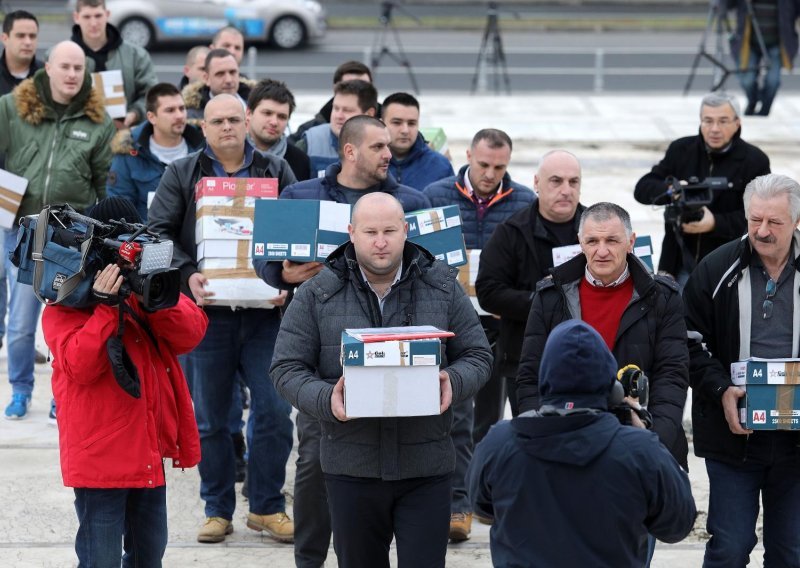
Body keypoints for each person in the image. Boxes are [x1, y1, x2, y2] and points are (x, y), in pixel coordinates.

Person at [270, 191, 493, 568]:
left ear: (406, 231)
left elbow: (479, 355)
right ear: (351, 232)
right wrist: (327, 399)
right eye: (370, 231)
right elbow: (285, 369)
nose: (380, 241)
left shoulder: (442, 286)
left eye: (390, 230)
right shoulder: (315, 294)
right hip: (350, 466)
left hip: (427, 465)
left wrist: (451, 382)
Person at [254, 116, 430, 568]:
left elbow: (435, 273)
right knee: (313, 464)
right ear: (349, 151)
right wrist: (282, 274)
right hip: (326, 358)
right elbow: (268, 258)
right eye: (378, 146)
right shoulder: (301, 195)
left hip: (401, 354)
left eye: (389, 145)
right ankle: (309, 558)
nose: (388, 154)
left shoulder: (410, 203)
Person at [148, 94, 297, 544]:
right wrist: (186, 276)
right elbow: (155, 236)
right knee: (212, 418)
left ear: (248, 121)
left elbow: (296, 233)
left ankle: (268, 507)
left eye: (235, 119)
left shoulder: (275, 171)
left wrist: (287, 283)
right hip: (204, 317)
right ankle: (217, 508)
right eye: (218, 121)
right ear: (204, 126)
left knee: (274, 411)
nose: (228, 127)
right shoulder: (183, 172)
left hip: (266, 319)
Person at [42, 196, 207, 567]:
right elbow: (80, 366)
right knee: (100, 560)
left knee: (149, 557)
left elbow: (192, 333)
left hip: (146, 455)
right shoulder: (63, 302)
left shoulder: (146, 291)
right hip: (99, 461)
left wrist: (154, 298)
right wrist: (104, 308)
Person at [467, 319, 696, 567]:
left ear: (545, 379)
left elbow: (481, 505)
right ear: (613, 390)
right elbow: (677, 523)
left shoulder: (500, 443)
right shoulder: (639, 451)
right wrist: (644, 434)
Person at [517, 202, 690, 470]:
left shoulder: (663, 297)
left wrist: (651, 437)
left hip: (642, 443)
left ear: (630, 242)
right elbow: (530, 376)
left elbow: (672, 375)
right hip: (565, 443)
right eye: (593, 241)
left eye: (612, 240)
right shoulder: (550, 297)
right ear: (580, 243)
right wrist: (542, 436)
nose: (602, 251)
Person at [684, 173, 800, 566]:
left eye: (774, 222)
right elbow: (687, 342)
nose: (762, 231)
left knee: (791, 552)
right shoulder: (716, 269)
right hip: (734, 436)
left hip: (796, 443)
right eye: (755, 220)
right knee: (729, 548)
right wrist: (720, 390)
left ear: (797, 221)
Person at [423, 127, 533, 540]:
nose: (489, 174)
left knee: (491, 415)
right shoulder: (435, 195)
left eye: (499, 167)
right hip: (449, 321)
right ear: (468, 155)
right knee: (457, 414)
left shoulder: (523, 201)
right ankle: (457, 502)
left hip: (500, 321)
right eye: (483, 164)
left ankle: (482, 494)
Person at [0, 40, 115, 420]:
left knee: (68, 320)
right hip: (25, 233)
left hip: (71, 241)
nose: (71, 74)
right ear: (47, 67)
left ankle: (59, 395)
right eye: (64, 66)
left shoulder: (99, 122)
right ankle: (19, 388)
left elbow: (103, 186)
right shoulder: (11, 110)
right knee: (20, 324)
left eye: (78, 69)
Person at [475, 149, 584, 418]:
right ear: (537, 183)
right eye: (556, 181)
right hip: (526, 360)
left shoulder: (598, 229)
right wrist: (542, 301)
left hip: (588, 356)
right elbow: (488, 291)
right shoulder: (511, 232)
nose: (566, 190)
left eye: (573, 182)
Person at [634, 92, 770, 286]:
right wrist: (674, 190)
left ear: (737, 122)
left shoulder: (755, 161)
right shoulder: (681, 150)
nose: (714, 129)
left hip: (729, 266)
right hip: (678, 260)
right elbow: (642, 189)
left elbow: (761, 218)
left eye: (723, 121)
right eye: (707, 121)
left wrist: (715, 223)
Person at [0, 10, 44, 353]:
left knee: (20, 283)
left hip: (31, 198)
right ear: (5, 37)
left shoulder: (46, 80)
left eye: (33, 36)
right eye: (21, 36)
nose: (28, 42)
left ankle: (19, 349)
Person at [108, 83, 204, 221]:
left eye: (182, 109)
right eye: (170, 110)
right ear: (151, 117)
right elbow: (120, 211)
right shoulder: (129, 153)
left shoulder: (203, 149)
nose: (179, 115)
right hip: (147, 239)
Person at [71, 0, 157, 127]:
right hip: (77, 133)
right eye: (87, 17)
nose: (93, 23)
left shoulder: (136, 55)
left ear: (107, 14)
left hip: (125, 133)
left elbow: (152, 94)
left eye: (98, 16)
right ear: (76, 17)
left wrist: (135, 113)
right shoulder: (60, 57)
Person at [727, 0, 800, 116]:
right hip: (749, 43)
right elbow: (727, 5)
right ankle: (752, 101)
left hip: (777, 43)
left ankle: (765, 108)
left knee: (773, 81)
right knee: (747, 80)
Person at [296, 79, 377, 177]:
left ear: (369, 114)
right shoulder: (309, 143)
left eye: (347, 110)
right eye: (335, 108)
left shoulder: (384, 145)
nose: (339, 116)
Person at [289, 60, 374, 144]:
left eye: (364, 86)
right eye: (349, 85)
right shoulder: (310, 132)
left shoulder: (385, 122)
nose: (356, 91)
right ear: (337, 88)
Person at [382, 92, 453, 190]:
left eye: (411, 123)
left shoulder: (441, 166)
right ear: (382, 124)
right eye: (397, 123)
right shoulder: (366, 162)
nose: (405, 130)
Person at [247, 78, 312, 181]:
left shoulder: (301, 161)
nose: (274, 122)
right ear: (249, 114)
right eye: (267, 113)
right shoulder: (228, 153)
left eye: (282, 117)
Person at [183, 48, 255, 121]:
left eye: (232, 72)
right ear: (206, 78)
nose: (228, 80)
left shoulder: (257, 106)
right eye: (220, 74)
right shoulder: (191, 118)